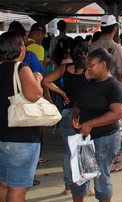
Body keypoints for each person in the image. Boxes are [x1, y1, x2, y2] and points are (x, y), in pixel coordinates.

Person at [71, 48, 122, 202]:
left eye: (92, 65)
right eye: (88, 65)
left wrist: (90, 123)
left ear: (103, 64)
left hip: (105, 139)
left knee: (101, 178)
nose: (88, 68)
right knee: (81, 176)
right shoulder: (90, 83)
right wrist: (75, 115)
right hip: (85, 138)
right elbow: (79, 103)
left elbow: (117, 113)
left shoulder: (114, 87)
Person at [0, 31, 43, 201]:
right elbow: (34, 95)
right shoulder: (21, 68)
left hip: (1, 135)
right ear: (19, 49)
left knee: (3, 185)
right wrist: (37, 79)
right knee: (17, 190)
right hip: (21, 138)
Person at [42, 39, 89, 195]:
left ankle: (68, 187)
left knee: (69, 152)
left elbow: (45, 81)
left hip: (66, 112)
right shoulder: (88, 72)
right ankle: (85, 186)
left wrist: (62, 94)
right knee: (84, 150)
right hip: (84, 114)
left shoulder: (64, 68)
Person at [89, 14, 122, 172]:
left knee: (96, 124)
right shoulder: (117, 48)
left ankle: (97, 159)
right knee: (113, 127)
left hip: (94, 90)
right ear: (115, 29)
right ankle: (109, 162)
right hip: (112, 93)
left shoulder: (92, 46)